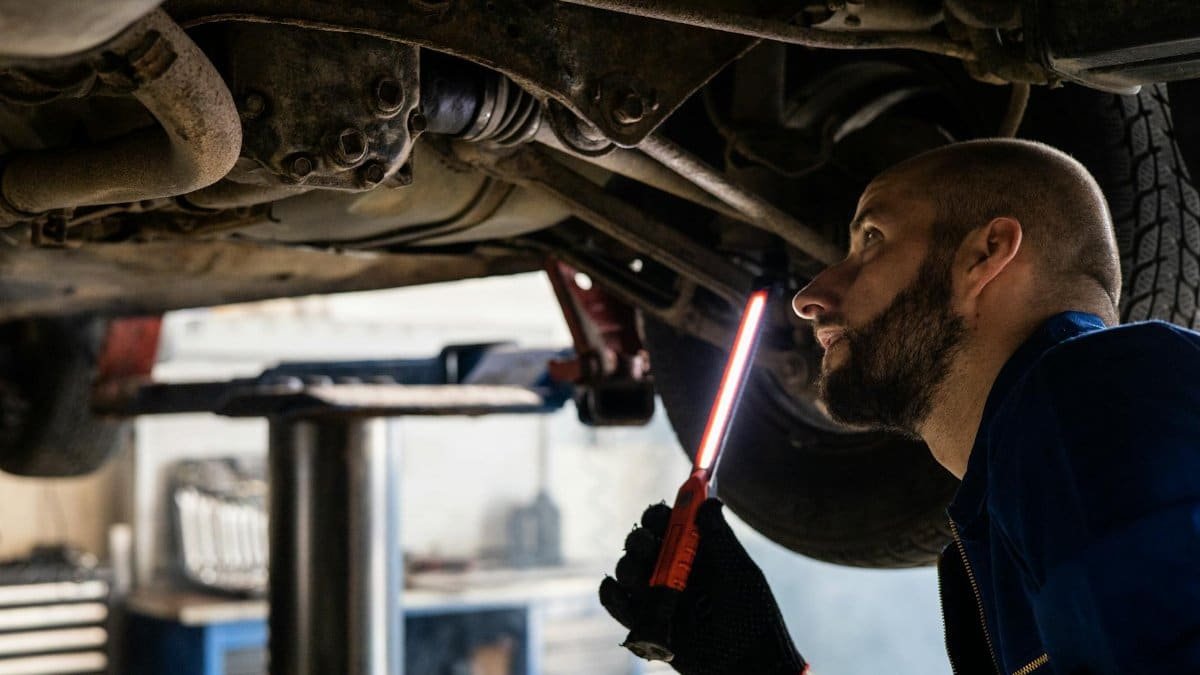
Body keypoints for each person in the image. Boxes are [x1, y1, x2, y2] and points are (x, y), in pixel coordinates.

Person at [600, 138, 1200, 675]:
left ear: (985, 255)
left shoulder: (1094, 395)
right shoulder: (1018, 495)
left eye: (872, 240)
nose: (810, 297)